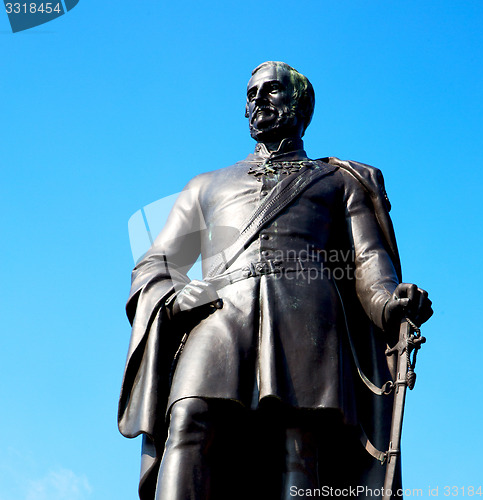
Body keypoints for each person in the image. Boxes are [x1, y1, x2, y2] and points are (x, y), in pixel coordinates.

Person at [118, 61, 433, 500]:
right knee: (188, 419)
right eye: (251, 93)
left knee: (299, 446)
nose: (258, 99)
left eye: (271, 90)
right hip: (218, 316)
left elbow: (368, 261)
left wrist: (388, 303)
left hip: (307, 319)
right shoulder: (206, 185)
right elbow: (157, 260)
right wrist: (171, 298)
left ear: (300, 104)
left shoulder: (340, 180)